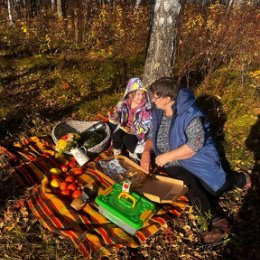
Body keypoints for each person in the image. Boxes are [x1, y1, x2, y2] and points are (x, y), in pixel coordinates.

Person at [140, 77, 251, 243]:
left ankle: (240, 179)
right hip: (172, 163)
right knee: (189, 185)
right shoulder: (158, 111)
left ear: (168, 98)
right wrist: (147, 152)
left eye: (156, 97)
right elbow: (151, 135)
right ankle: (218, 223)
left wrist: (167, 156)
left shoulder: (190, 115)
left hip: (194, 160)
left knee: (217, 186)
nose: (152, 100)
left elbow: (194, 146)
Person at [108, 77, 152, 160]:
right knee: (116, 135)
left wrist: (133, 130)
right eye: (138, 94)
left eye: (143, 94)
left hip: (138, 132)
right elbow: (119, 116)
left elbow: (147, 125)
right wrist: (114, 116)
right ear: (131, 95)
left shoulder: (146, 109)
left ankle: (133, 155)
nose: (141, 97)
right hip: (124, 128)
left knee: (128, 139)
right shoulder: (124, 104)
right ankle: (117, 153)